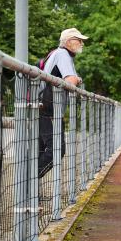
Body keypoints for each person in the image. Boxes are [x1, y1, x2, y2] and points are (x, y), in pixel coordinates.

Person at [38, 27, 88, 179]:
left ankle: (28, 190)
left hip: (45, 108)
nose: (81, 43)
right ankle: (28, 179)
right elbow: (71, 81)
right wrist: (78, 79)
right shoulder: (63, 54)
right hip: (49, 110)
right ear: (68, 41)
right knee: (57, 150)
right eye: (78, 40)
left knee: (39, 150)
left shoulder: (60, 54)